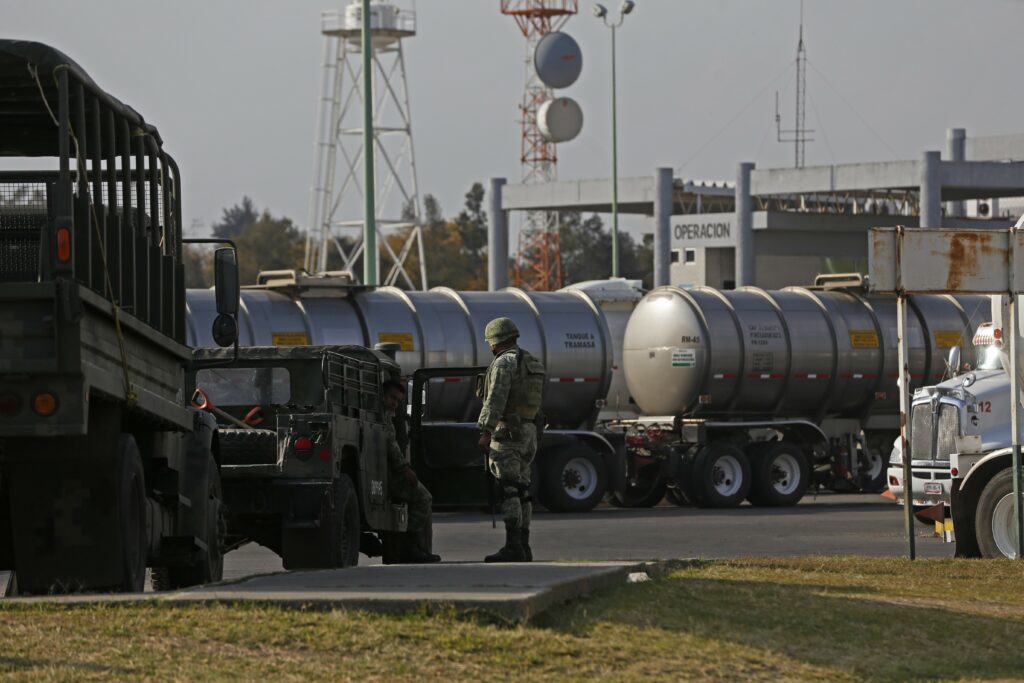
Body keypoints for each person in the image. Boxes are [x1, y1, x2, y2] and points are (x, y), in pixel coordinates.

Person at [477, 317, 546, 562]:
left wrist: (485, 430)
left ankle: (513, 546)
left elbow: (495, 398)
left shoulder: (504, 363)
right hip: (528, 433)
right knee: (523, 490)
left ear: (495, 341)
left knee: (508, 490)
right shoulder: (530, 361)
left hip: (508, 433)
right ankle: (524, 546)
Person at [382, 379, 440, 564]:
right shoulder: (382, 417)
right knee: (424, 498)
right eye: (392, 398)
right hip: (390, 473)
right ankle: (410, 548)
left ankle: (411, 548)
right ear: (382, 395)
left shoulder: (384, 416)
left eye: (398, 401)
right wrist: (405, 468)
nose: (394, 403)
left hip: (385, 471)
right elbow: (391, 446)